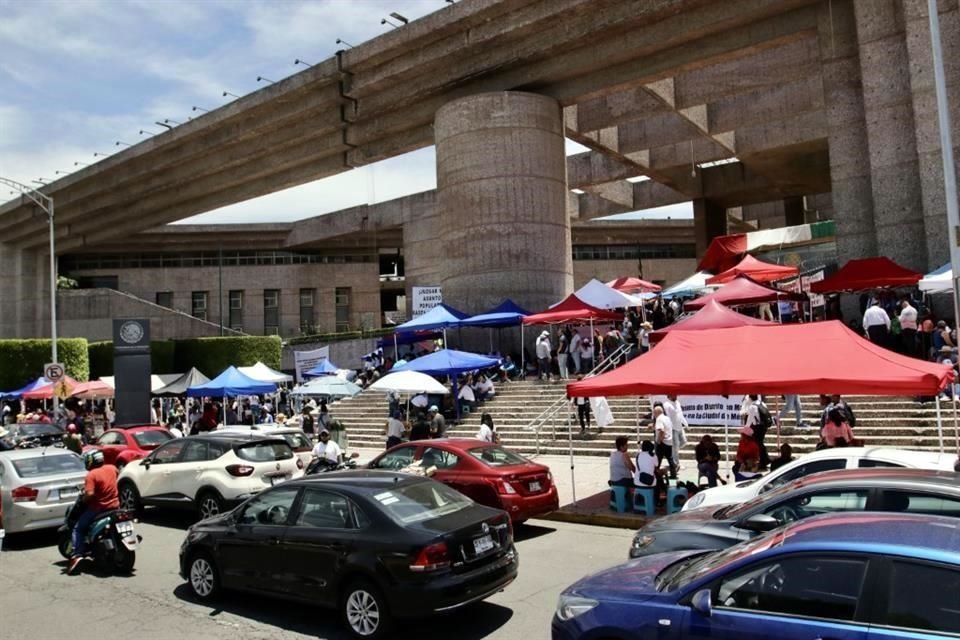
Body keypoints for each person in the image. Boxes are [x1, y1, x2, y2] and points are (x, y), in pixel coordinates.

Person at [67, 450, 119, 575]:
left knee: (78, 529)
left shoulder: (92, 475)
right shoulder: (112, 468)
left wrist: (83, 499)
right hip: (115, 506)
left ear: (91, 461)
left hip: (98, 509)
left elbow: (89, 494)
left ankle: (77, 554)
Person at [662, 395, 688, 471]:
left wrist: (685, 423)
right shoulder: (666, 405)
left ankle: (672, 451)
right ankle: (676, 464)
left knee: (684, 442)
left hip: (680, 427)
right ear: (669, 395)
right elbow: (668, 418)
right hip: (673, 429)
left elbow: (680, 414)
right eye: (674, 394)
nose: (676, 395)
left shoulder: (677, 403)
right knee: (675, 447)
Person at [653, 405, 677, 479]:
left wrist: (659, 441)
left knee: (658, 459)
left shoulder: (659, 419)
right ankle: (673, 473)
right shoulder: (667, 418)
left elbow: (661, 431)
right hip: (669, 441)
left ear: (656, 412)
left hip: (662, 441)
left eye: (654, 413)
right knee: (670, 458)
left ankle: (655, 473)